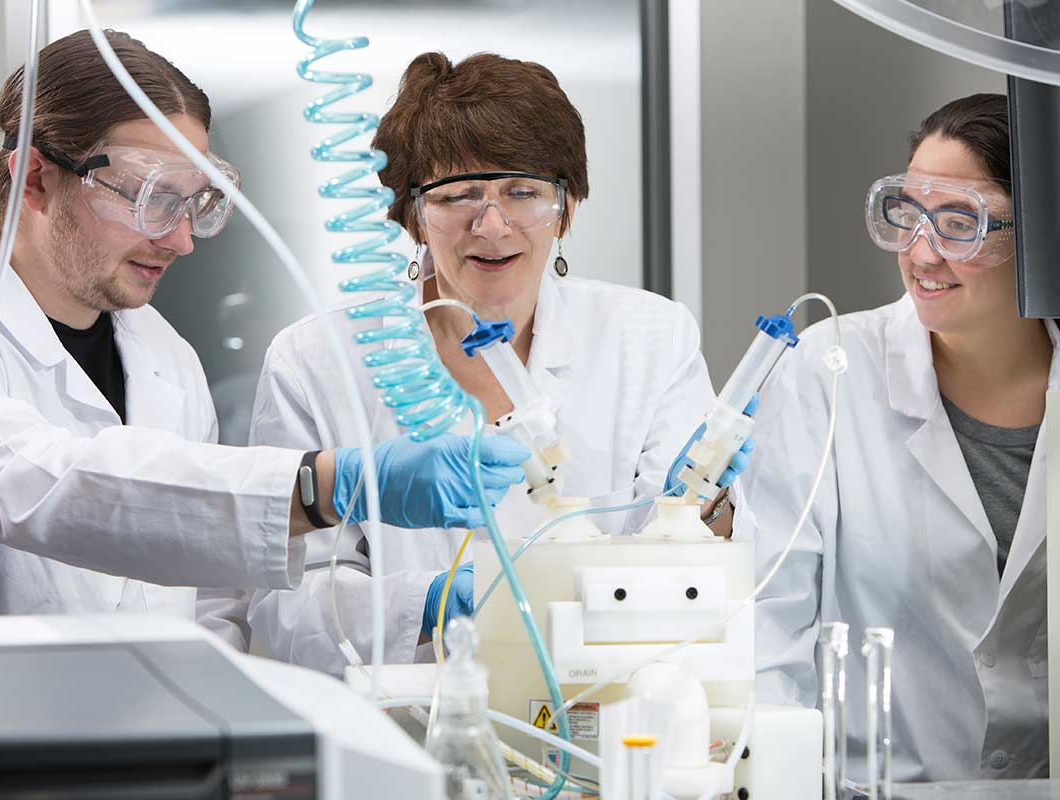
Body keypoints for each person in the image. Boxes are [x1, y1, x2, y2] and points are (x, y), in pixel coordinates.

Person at [0, 30, 528, 636]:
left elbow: (211, 602)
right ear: (35, 177)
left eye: (194, 203)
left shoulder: (166, 357)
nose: (180, 239)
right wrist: (326, 485)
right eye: (151, 198)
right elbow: (51, 485)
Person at [245, 52, 749, 676]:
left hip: (607, 716)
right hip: (409, 726)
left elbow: (693, 574)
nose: (492, 224)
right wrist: (430, 603)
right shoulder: (315, 362)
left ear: (565, 208)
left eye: (524, 192)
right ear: (413, 215)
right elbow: (286, 607)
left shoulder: (648, 337)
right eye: (458, 195)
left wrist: (708, 505)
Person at [738, 93, 1060, 781]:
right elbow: (767, 622)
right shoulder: (829, 368)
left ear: (1047, 235)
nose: (922, 252)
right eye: (908, 214)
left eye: (961, 222)